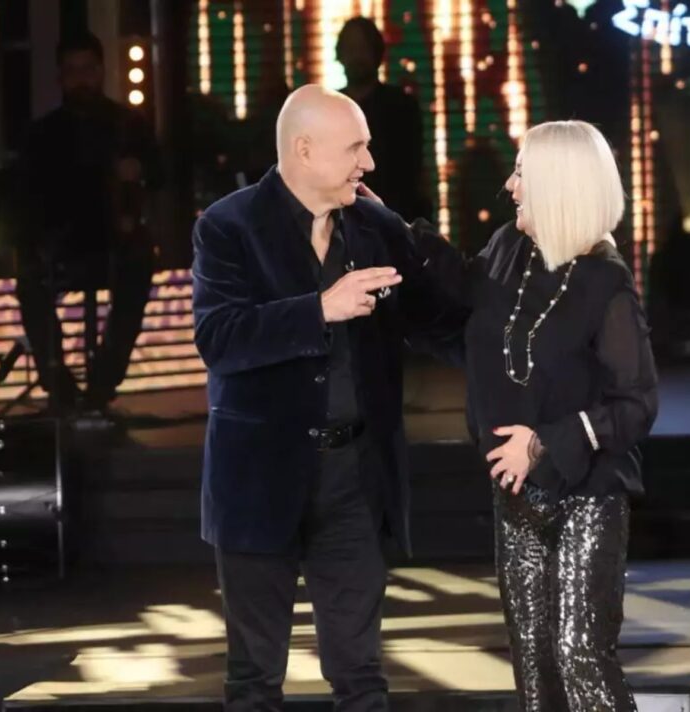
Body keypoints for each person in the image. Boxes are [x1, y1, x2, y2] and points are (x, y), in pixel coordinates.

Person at [190, 84, 460, 712]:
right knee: (254, 680)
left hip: (353, 479)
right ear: (304, 150)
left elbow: (441, 320)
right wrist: (319, 309)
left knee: (361, 676)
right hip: (259, 478)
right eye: (355, 148)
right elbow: (219, 339)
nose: (369, 162)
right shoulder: (228, 226)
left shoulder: (373, 225)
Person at [400, 120, 658, 711]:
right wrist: (392, 231)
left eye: (522, 175)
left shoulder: (606, 282)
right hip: (516, 495)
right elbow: (464, 296)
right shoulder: (508, 249)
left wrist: (543, 443)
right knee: (535, 667)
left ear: (559, 187)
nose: (510, 187)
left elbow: (637, 404)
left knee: (579, 656)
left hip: (585, 494)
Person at [15, 31, 161, 412]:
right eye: (72, 71)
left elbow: (163, 175)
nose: (81, 80)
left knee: (139, 263)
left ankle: (104, 378)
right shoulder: (42, 134)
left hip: (116, 240)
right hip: (62, 242)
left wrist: (138, 171)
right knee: (29, 275)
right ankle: (57, 380)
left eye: (88, 70)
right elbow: (25, 197)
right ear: (60, 77)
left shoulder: (129, 124)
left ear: (101, 71)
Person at [336, 16, 430, 221]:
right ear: (340, 55)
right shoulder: (329, 110)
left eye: (362, 48)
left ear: (376, 53)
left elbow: (412, 177)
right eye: (351, 48)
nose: (356, 56)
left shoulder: (402, 107)